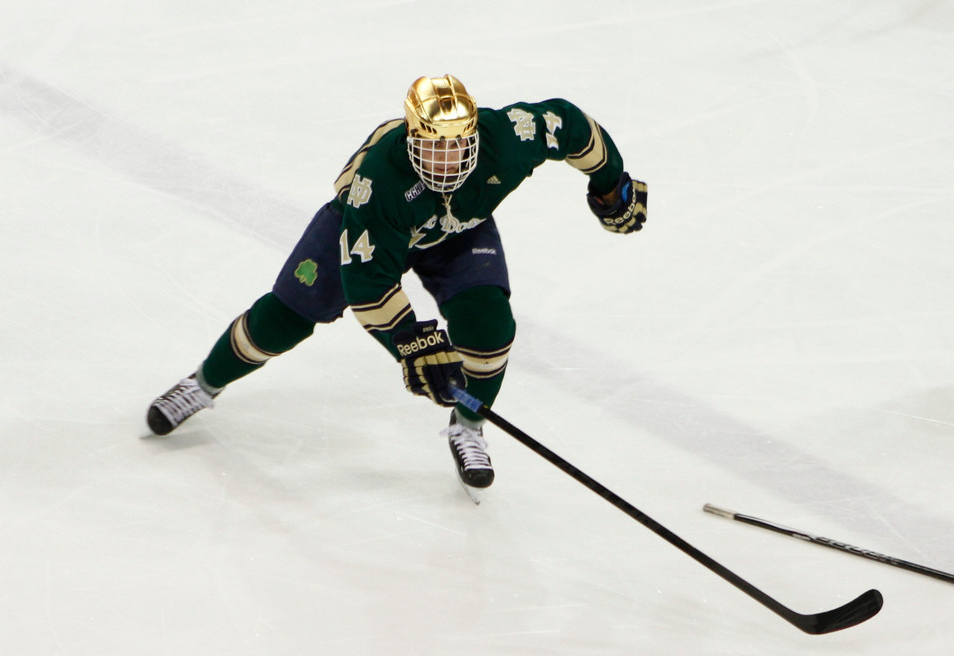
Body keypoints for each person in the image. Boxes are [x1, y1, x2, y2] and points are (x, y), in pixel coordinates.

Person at [146, 74, 647, 493]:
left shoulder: (510, 136)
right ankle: (204, 384)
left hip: (458, 230)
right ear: (413, 139)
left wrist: (611, 186)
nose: (447, 162)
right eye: (433, 148)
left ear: (476, 136)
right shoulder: (378, 182)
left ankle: (468, 427)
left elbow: (570, 123)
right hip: (367, 231)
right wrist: (410, 343)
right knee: (285, 318)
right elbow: (368, 285)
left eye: (457, 148)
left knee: (490, 326)